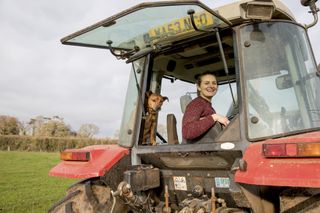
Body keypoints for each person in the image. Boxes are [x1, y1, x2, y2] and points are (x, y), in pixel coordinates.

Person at [182, 71, 230, 141]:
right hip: (200, 150)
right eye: (206, 83)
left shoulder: (206, 105)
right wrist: (214, 117)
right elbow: (187, 132)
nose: (211, 86)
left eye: (214, 83)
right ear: (199, 87)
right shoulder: (197, 104)